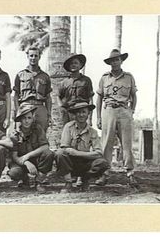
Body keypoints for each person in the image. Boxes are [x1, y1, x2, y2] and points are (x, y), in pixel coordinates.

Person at [96, 49, 138, 186]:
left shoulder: (129, 77)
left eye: (117, 60)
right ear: (109, 63)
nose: (115, 62)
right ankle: (104, 173)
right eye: (112, 60)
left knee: (127, 144)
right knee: (106, 143)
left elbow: (134, 95)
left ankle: (130, 173)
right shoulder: (104, 78)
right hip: (108, 111)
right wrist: (98, 117)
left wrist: (131, 110)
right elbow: (99, 98)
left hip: (124, 111)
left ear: (121, 61)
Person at [55, 102, 110, 193]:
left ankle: (85, 180)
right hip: (70, 163)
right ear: (74, 115)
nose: (81, 115)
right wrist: (72, 153)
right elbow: (65, 148)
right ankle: (68, 183)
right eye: (78, 112)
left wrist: (78, 153)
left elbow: (99, 152)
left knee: (102, 163)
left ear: (88, 114)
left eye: (84, 112)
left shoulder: (93, 132)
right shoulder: (68, 127)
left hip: (85, 162)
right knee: (59, 154)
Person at [7, 104, 54, 193]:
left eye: (29, 118)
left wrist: (27, 156)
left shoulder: (38, 128)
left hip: (36, 160)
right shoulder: (15, 134)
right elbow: (14, 156)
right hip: (21, 163)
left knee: (49, 154)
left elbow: (45, 146)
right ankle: (24, 179)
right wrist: (26, 162)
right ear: (20, 120)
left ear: (33, 119)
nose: (27, 121)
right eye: (24, 118)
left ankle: (39, 181)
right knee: (14, 172)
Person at [13, 46, 52, 132]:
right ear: (28, 57)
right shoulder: (20, 75)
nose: (33, 58)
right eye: (31, 56)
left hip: (40, 107)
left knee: (41, 134)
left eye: (36, 56)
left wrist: (49, 114)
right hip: (25, 106)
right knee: (22, 135)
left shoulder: (45, 76)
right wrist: (17, 111)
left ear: (39, 57)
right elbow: (15, 96)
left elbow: (48, 97)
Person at [57, 53, 94, 125]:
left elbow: (90, 98)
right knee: (69, 133)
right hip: (69, 112)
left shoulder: (86, 80)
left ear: (80, 65)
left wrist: (89, 119)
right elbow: (58, 96)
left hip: (82, 112)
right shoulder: (65, 82)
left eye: (76, 63)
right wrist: (62, 108)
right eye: (71, 63)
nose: (73, 65)